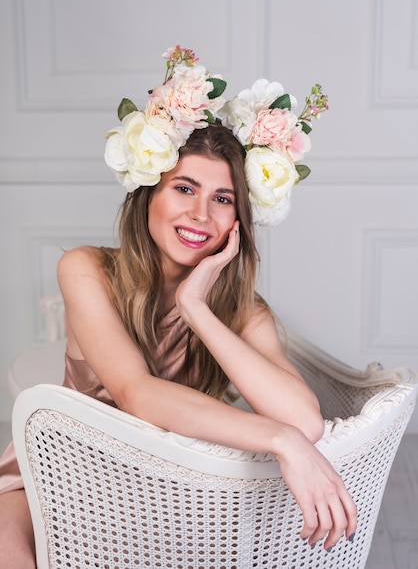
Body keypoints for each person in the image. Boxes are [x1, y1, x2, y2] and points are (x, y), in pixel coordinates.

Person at [0, 46, 356, 567]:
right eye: (184, 188)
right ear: (149, 194)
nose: (199, 213)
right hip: (59, 473)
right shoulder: (85, 269)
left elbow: (304, 419)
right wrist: (281, 441)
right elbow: (135, 392)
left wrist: (197, 307)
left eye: (222, 197)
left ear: (239, 219)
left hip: (162, 492)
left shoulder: (243, 311)